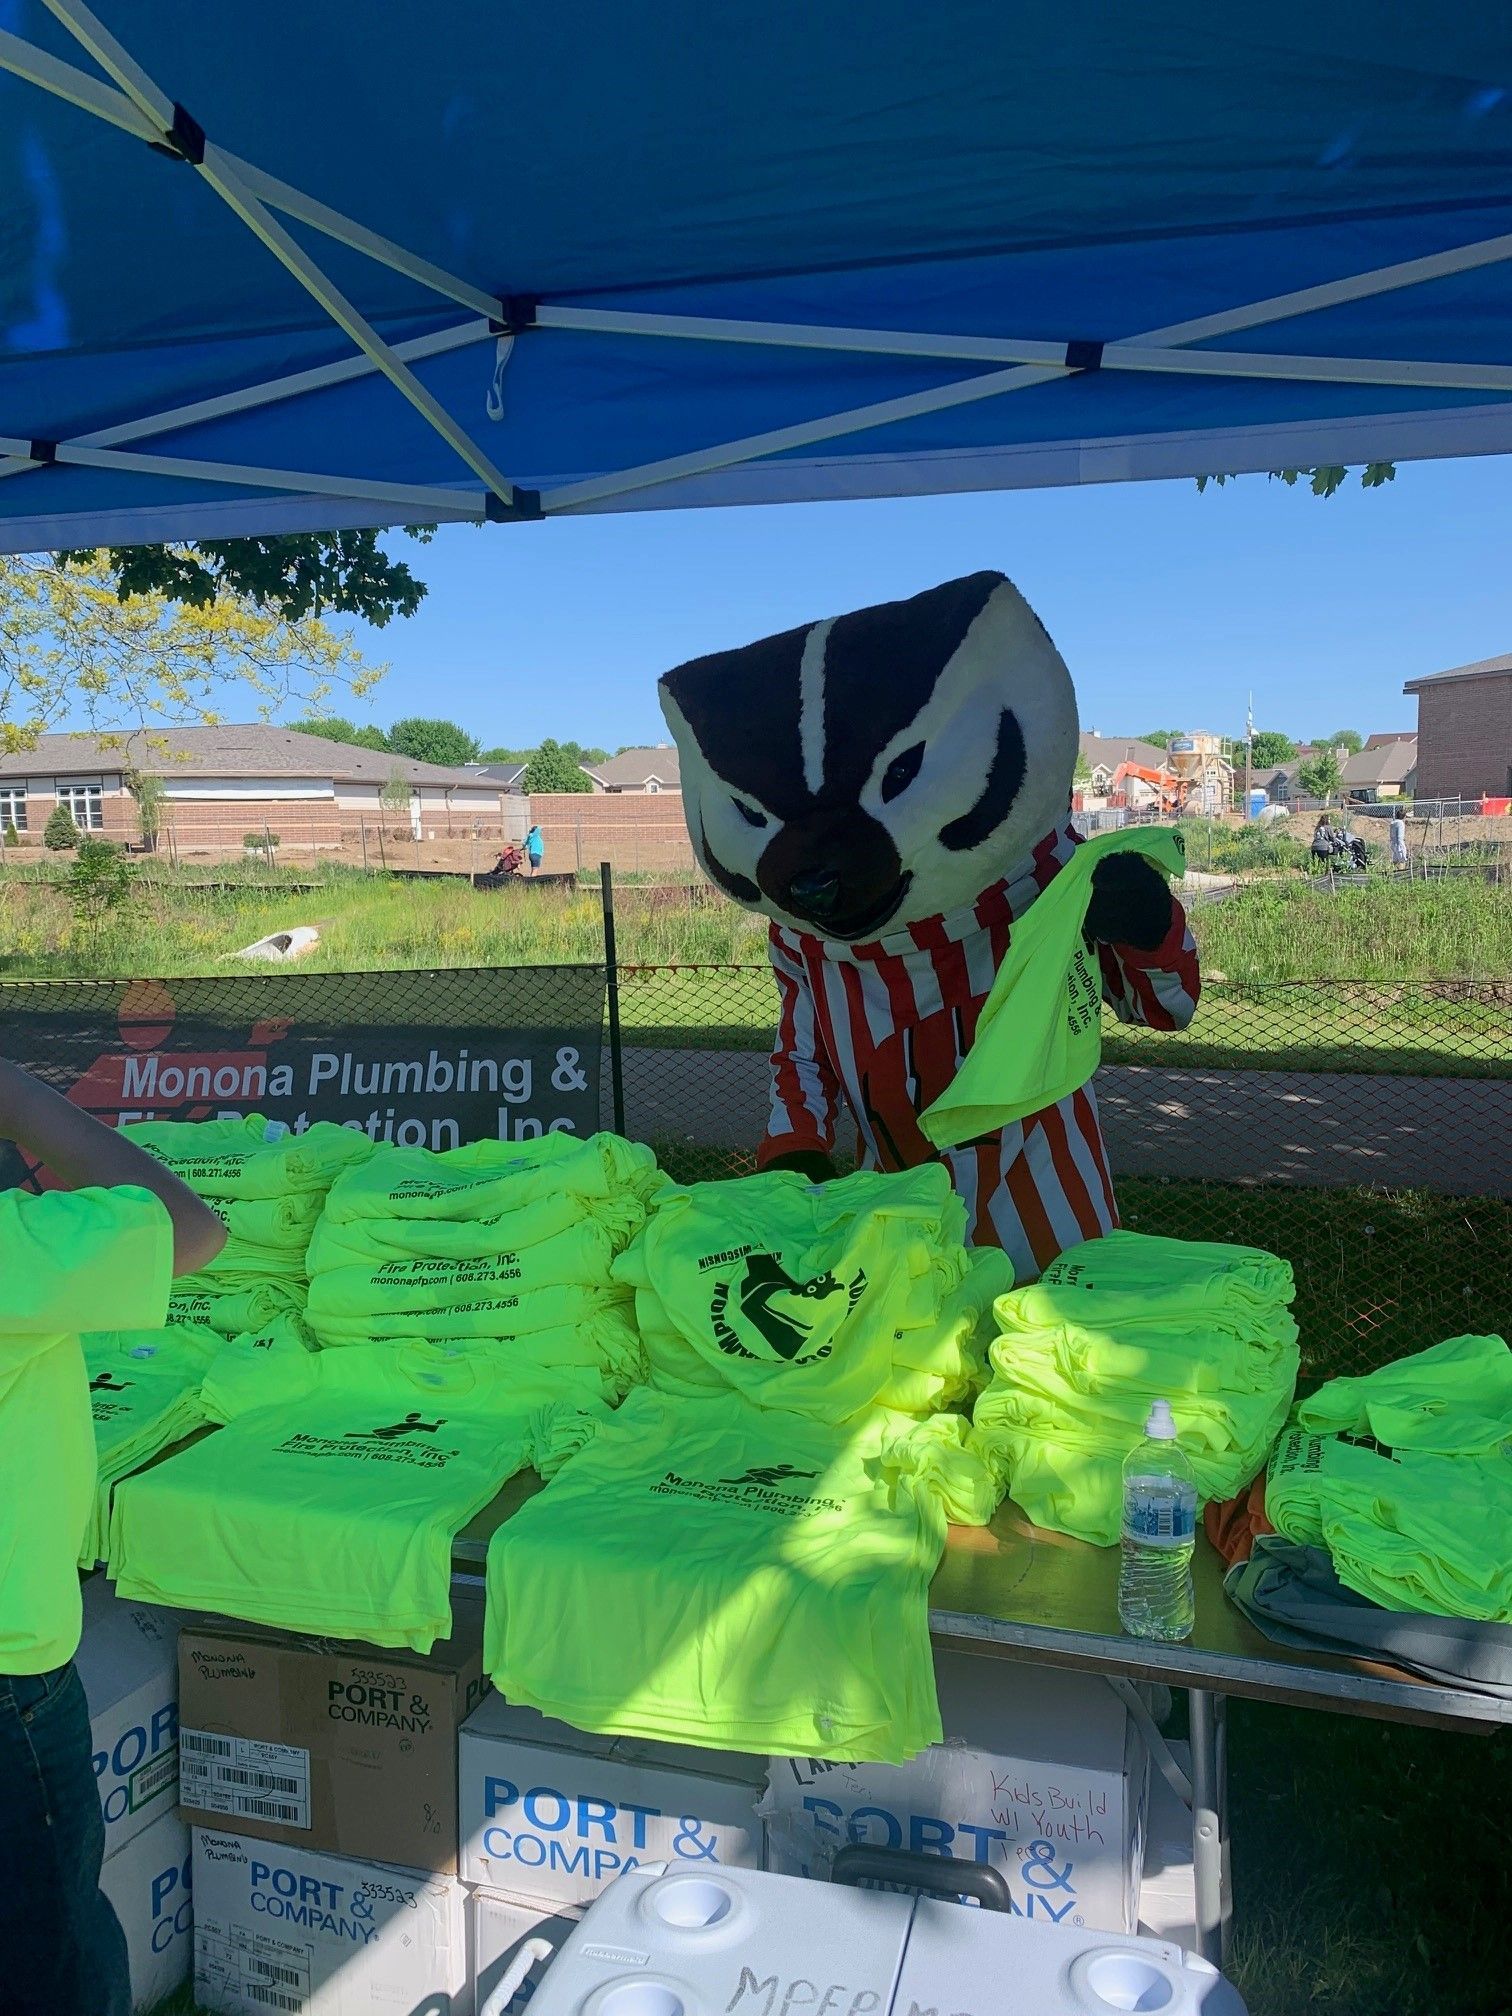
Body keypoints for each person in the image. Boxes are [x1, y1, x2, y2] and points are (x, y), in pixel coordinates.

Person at [0, 1060, 224, 2016]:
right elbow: (193, 1229)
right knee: (48, 1960)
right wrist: (20, 1097)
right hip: (9, 1675)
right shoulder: (17, 1251)